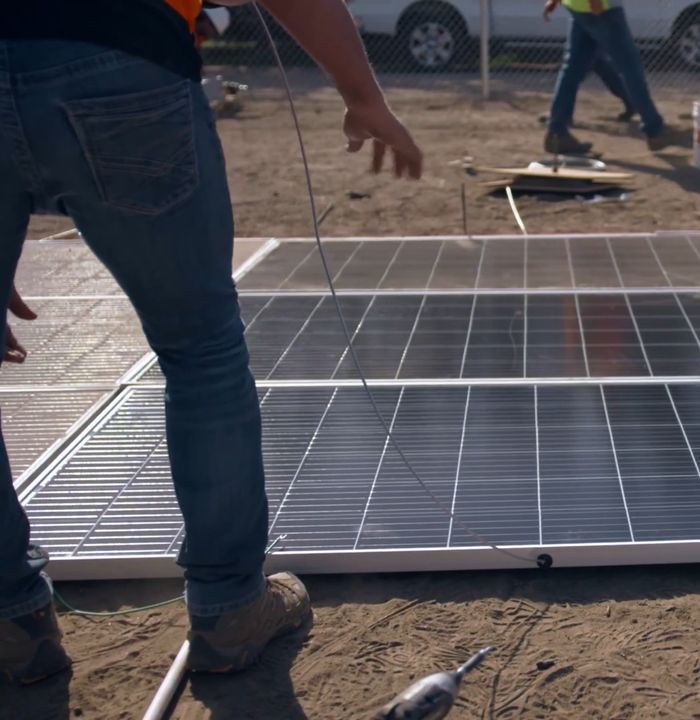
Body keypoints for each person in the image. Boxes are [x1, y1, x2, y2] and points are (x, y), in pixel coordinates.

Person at [0, 0, 422, 684]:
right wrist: (362, 94)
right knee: (201, 353)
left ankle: (11, 622)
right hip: (121, 58)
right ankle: (229, 609)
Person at [541, 0, 682, 155]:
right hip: (602, 7)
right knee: (630, 67)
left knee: (572, 69)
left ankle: (557, 131)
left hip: (578, 6)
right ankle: (655, 129)